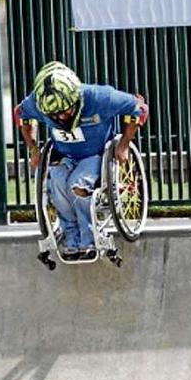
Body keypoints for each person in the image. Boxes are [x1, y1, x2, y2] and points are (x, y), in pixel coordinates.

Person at [14, 61, 148, 261]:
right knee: (57, 185)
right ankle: (72, 238)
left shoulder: (100, 98)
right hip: (63, 156)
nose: (61, 116)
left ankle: (88, 239)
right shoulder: (37, 103)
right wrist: (33, 148)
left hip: (95, 155)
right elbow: (20, 115)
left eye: (65, 110)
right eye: (55, 114)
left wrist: (124, 144)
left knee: (76, 186)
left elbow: (138, 107)